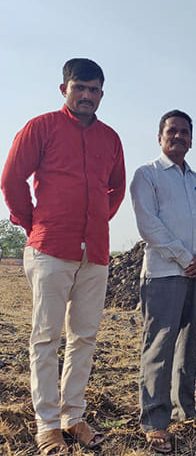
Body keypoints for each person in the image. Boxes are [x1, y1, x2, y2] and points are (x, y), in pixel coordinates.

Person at [1, 58, 125, 455]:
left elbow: (116, 189)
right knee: (46, 338)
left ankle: (74, 416)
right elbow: (11, 179)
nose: (87, 95)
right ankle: (47, 423)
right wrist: (33, 223)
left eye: (94, 90)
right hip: (50, 248)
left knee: (84, 338)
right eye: (80, 88)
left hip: (96, 252)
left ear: (101, 94)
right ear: (64, 89)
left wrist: (97, 220)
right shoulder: (41, 128)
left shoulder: (110, 139)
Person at [130, 110, 196, 454]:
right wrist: (185, 258)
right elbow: (148, 225)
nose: (179, 136)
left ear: (191, 140)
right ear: (160, 137)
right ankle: (155, 420)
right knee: (160, 344)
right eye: (172, 131)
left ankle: (186, 410)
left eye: (185, 132)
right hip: (164, 273)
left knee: (188, 344)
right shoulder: (147, 175)